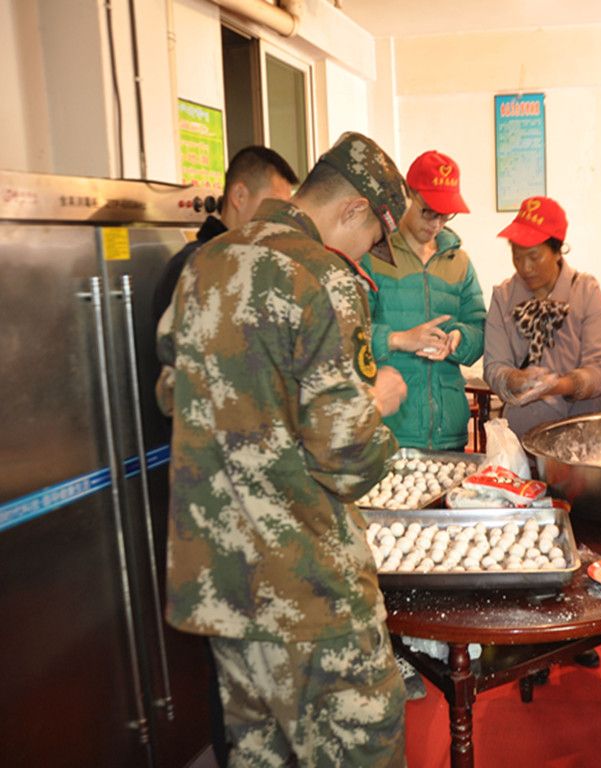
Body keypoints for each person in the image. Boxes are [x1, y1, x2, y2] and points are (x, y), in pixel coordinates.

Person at [155, 132, 410, 767]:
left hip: (224, 588)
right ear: (354, 209)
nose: (367, 254)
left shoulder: (205, 263)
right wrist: (378, 401)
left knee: (259, 755)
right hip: (310, 593)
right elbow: (346, 457)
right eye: (373, 238)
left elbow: (171, 392)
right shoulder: (322, 276)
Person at [484, 194, 601, 671]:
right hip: (525, 436)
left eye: (534, 256)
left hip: (578, 435)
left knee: (580, 531)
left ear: (558, 250)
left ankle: (580, 629)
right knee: (527, 530)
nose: (524, 266)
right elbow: (494, 365)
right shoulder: (504, 297)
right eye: (516, 255)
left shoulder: (585, 292)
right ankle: (529, 639)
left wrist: (561, 384)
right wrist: (514, 380)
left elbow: (600, 368)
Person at [361, 150, 486, 450]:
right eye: (428, 211)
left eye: (445, 215)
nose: (436, 224)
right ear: (407, 196)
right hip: (392, 428)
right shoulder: (373, 255)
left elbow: (480, 329)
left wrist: (458, 340)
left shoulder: (459, 262)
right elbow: (347, 333)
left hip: (449, 430)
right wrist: (398, 339)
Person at [152, 145, 298, 328]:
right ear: (239, 196)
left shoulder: (253, 260)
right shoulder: (193, 265)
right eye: (274, 205)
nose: (280, 218)